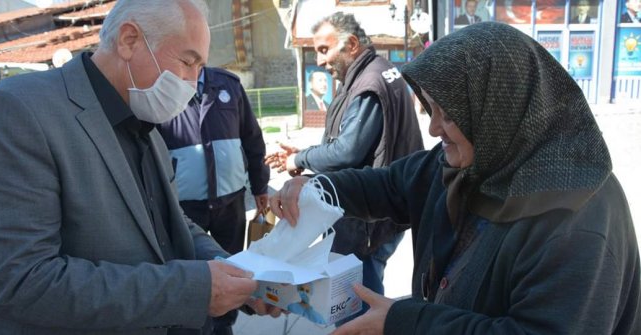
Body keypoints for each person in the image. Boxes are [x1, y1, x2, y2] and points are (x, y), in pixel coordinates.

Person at [270, 22, 640, 334]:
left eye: (448, 115)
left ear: (496, 110)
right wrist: (319, 187)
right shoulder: (476, 159)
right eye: (431, 109)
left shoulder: (579, 219)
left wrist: (405, 322)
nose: (433, 129)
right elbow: (390, 186)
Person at [0, 1, 279, 334]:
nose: (192, 86)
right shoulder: (19, 112)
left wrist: (235, 271)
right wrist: (194, 289)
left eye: (200, 68)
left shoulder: (145, 124)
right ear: (129, 40)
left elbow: (170, 222)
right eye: (188, 62)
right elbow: (21, 281)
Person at [264, 11, 424, 321]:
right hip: (383, 211)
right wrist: (304, 153)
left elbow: (347, 151)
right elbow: (355, 141)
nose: (320, 61)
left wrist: (299, 159)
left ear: (350, 44)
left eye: (324, 50)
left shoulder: (368, 83)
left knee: (357, 300)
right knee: (365, 290)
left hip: (369, 219)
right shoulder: (377, 71)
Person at [157, 66, 270, 335]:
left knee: (231, 267)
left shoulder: (228, 84)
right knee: (192, 274)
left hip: (230, 203)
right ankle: (194, 326)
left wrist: (260, 185)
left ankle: (223, 326)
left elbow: (252, 138)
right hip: (183, 207)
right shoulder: (162, 85)